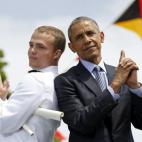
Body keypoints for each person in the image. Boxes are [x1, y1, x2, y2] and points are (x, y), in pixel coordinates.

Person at [54, 16, 142, 142]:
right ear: (71, 47)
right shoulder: (64, 81)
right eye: (79, 37)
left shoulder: (122, 74)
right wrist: (115, 86)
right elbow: (80, 122)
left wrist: (135, 88)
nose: (87, 40)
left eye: (90, 33)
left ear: (101, 36)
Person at [0, 25, 66, 142]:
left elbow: (4, 123)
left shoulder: (36, 80)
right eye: (31, 45)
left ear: (56, 54)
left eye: (40, 47)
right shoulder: (56, 81)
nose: (32, 50)